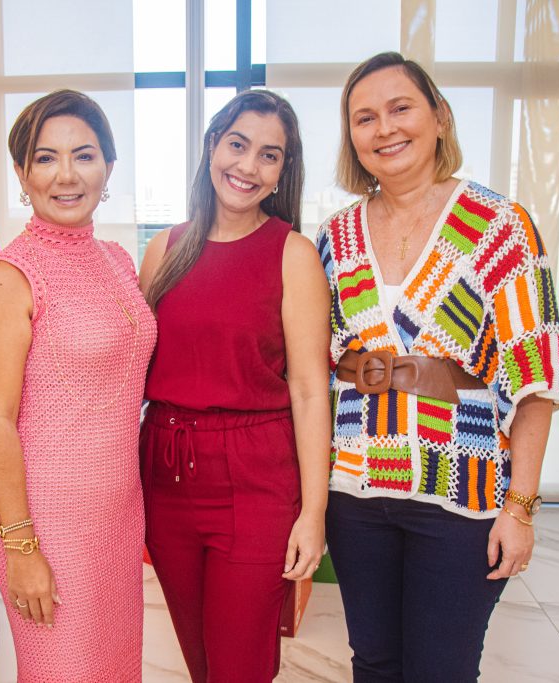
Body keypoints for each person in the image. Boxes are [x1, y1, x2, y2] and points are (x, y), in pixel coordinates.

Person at [317, 51, 559, 682]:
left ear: (440, 117)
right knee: (374, 663)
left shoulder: (499, 226)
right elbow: (311, 367)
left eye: (401, 108)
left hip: (461, 490)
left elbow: (536, 380)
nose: (385, 129)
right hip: (355, 487)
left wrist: (519, 509)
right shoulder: (334, 236)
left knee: (443, 669)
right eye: (364, 118)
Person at [139, 89, 332, 682]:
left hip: (255, 476)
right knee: (201, 662)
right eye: (238, 145)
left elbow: (307, 389)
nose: (248, 167)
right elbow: (129, 373)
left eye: (269, 156)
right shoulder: (163, 249)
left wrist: (314, 512)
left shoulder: (292, 254)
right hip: (166, 469)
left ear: (282, 172)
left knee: (240, 667)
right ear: (212, 148)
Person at [0, 89, 156, 682]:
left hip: (116, 513)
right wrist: (22, 548)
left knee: (115, 668)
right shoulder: (9, 275)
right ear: (22, 174)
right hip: (44, 522)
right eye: (46, 159)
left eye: (85, 155)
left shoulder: (118, 260)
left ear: (109, 166)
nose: (67, 175)